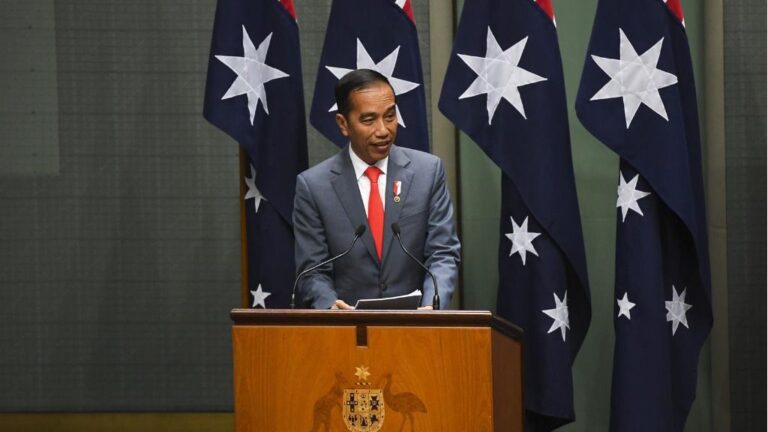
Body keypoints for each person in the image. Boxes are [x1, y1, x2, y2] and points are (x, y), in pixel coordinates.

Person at [293, 69, 460, 309]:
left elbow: (443, 254)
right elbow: (312, 270)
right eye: (369, 120)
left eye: (390, 116)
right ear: (343, 124)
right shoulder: (313, 187)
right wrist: (330, 306)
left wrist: (433, 306)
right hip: (347, 335)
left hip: (417, 332)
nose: (383, 130)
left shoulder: (428, 172)